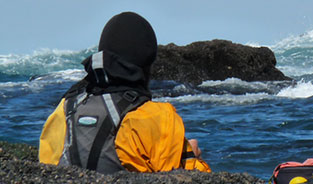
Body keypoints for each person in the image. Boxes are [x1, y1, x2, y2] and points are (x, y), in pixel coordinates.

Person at [39, 11, 210, 173]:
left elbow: (47, 167)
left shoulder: (64, 109)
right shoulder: (158, 117)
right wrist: (191, 157)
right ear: (147, 62)